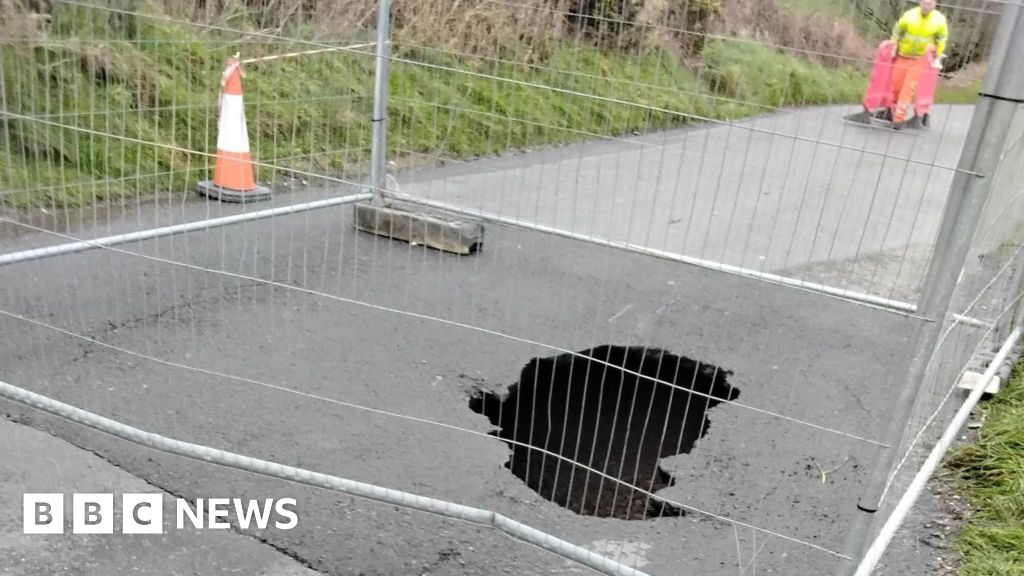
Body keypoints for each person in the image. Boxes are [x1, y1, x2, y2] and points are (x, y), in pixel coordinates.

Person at [889, 0, 948, 129]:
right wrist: (894, 45)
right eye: (924, 3)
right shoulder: (910, 15)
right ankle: (892, 112)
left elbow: (942, 38)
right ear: (920, 3)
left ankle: (898, 119)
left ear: (935, 5)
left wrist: (937, 54)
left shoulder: (939, 20)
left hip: (920, 59)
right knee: (896, 85)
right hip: (903, 55)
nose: (926, 6)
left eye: (930, 4)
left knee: (908, 88)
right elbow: (897, 30)